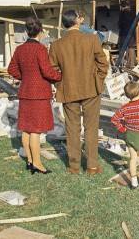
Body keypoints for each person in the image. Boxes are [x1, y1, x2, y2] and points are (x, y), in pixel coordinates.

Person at [49, 10, 109, 175]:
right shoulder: (91, 39)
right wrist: (98, 80)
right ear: (77, 21)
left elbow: (53, 71)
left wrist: (61, 83)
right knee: (91, 127)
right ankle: (92, 166)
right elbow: (103, 63)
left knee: (72, 128)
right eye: (80, 18)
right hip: (91, 89)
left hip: (69, 90)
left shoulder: (56, 45)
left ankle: (74, 166)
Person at [7, 17, 61, 174]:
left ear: (26, 31)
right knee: (36, 130)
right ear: (41, 32)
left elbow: (11, 69)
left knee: (26, 129)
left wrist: (24, 77)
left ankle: (30, 161)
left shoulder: (20, 49)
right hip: (39, 94)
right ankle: (37, 163)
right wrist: (60, 75)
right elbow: (47, 71)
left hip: (25, 92)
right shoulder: (41, 49)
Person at [118, 1, 136, 67]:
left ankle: (121, 64)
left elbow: (120, 24)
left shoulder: (122, 13)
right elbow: (136, 24)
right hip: (131, 33)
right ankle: (131, 64)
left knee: (122, 48)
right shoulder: (133, 13)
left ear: (123, 6)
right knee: (131, 48)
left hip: (124, 33)